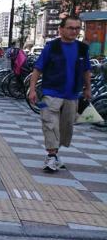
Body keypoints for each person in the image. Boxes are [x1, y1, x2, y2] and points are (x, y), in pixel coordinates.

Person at [28, 15, 92, 172]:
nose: (74, 31)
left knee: (66, 128)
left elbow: (86, 70)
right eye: (70, 28)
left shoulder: (82, 48)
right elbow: (38, 68)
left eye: (77, 28)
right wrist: (32, 89)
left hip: (72, 95)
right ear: (61, 29)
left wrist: (88, 88)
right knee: (49, 124)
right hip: (51, 93)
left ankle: (55, 154)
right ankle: (51, 156)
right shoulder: (52, 47)